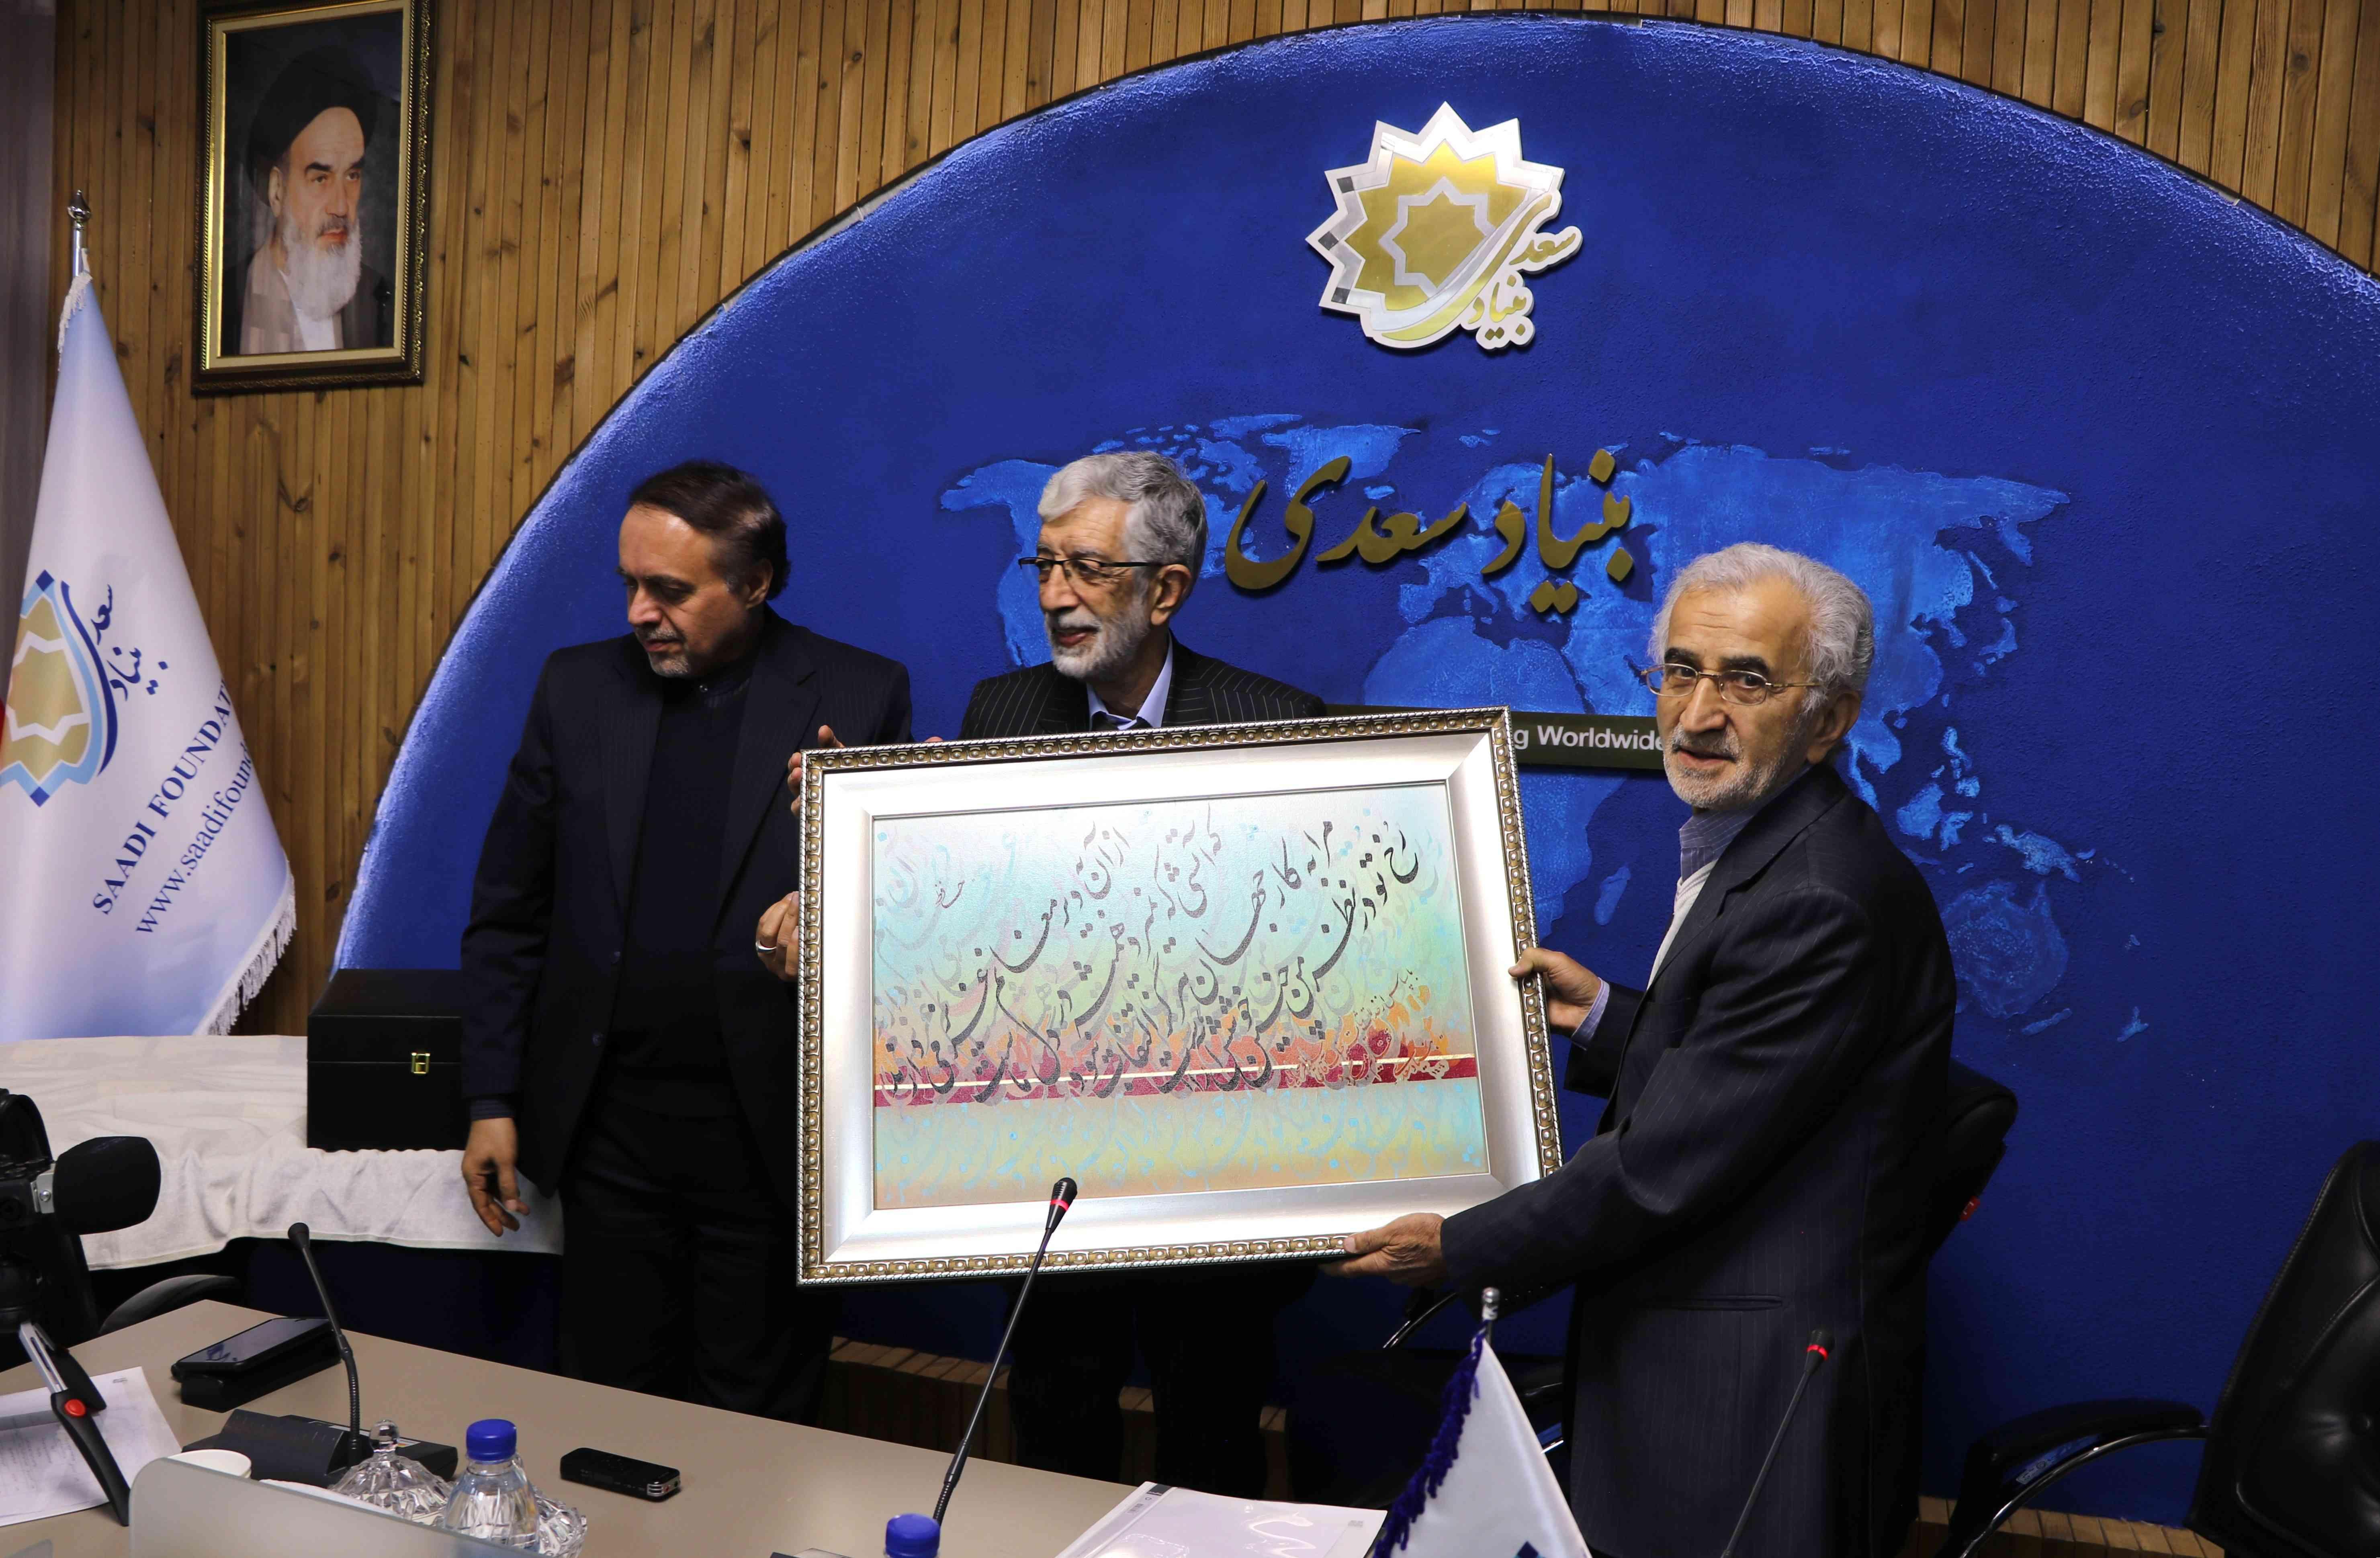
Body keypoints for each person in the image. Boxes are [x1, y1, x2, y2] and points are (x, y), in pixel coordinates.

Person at [1336, 543, 1954, 1558]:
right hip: (1700, 1367)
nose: (1697, 714)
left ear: (1829, 718)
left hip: (1748, 1396)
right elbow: (1761, 1078)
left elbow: (1661, 1169)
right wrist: (1609, 1018)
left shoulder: (1820, 897)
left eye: (1746, 681)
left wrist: (1456, 1246)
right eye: (1679, 671)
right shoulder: (1773, 846)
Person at [759, 450, 1324, 1495]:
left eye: (1087, 570)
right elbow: (975, 936)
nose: (1056, 595)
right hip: (1053, 1159)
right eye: (1045, 565)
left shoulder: (1277, 723)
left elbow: (1312, 959)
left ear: (1166, 590)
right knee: (1056, 1422)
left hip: (1213, 1163)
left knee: (1212, 1434)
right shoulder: (1002, 711)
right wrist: (867, 836)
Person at [459, 459, 912, 1423]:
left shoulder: (860, 694)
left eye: (668, 589)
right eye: (629, 584)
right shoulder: (575, 688)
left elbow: (901, 941)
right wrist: (491, 1097)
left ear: (755, 584)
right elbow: (510, 910)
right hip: (607, 1140)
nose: (639, 612)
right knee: (609, 1420)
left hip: (771, 1146)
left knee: (755, 1430)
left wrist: (850, 853)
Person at [227, 45, 392, 356]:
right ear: (277, 191)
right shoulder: (225, 304)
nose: (341, 207)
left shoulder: (382, 301)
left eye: (352, 176)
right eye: (321, 179)